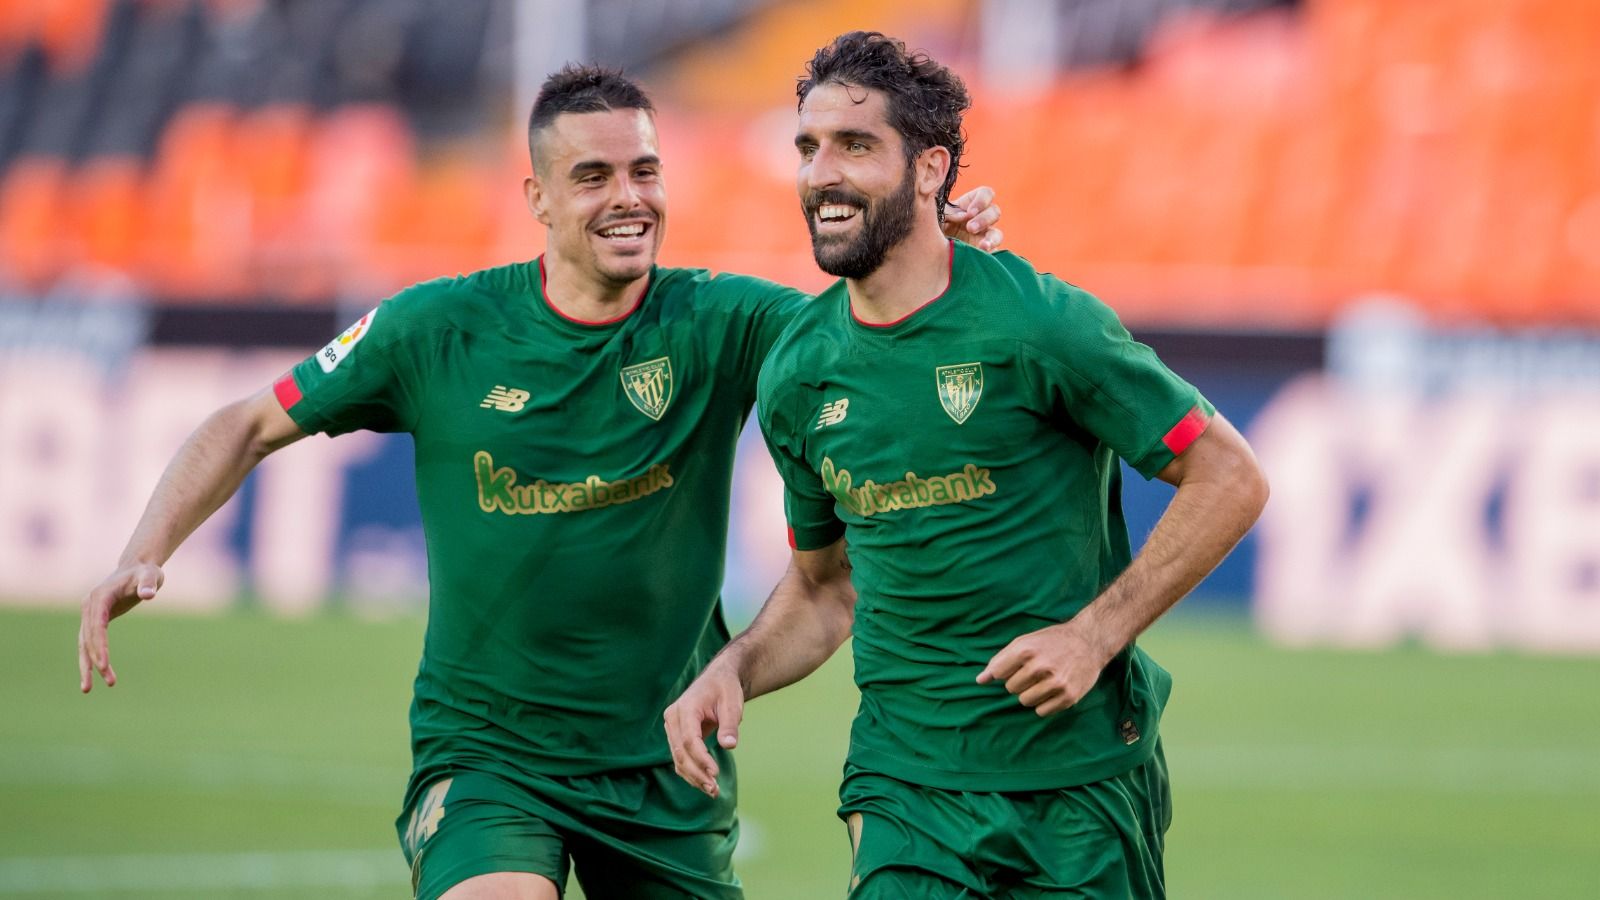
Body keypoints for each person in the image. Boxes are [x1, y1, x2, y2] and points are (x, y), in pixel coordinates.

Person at [75, 65, 1002, 900]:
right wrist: (143, 552)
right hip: (488, 755)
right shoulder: (436, 329)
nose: (628, 198)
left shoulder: (722, 320)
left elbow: (879, 335)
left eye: (645, 171)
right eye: (593, 177)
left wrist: (943, 252)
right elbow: (247, 421)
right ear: (538, 197)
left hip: (665, 765)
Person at [663, 32, 1269, 899]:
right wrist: (731, 669)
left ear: (929, 167)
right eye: (808, 147)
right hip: (904, 788)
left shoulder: (1041, 325)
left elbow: (1230, 477)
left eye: (855, 146)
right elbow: (825, 588)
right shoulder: (799, 370)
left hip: (1080, 786)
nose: (821, 173)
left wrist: (1093, 636)